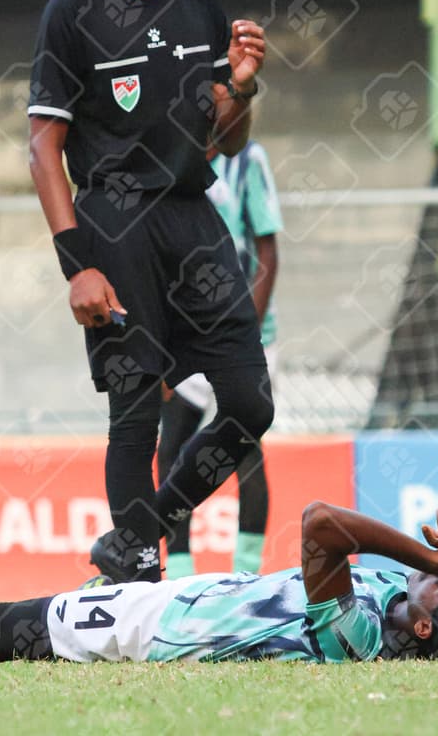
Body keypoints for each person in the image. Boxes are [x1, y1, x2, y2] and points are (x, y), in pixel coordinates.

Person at [27, 0, 274, 584]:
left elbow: (222, 138)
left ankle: (146, 528)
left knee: (249, 403)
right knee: (136, 414)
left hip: (195, 215)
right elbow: (44, 147)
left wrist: (240, 85)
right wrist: (80, 264)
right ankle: (138, 573)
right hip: (116, 223)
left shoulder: (199, 4)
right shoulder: (71, 11)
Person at [0, 495, 438, 664]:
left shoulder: (358, 639)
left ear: (424, 624)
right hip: (184, 597)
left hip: (153, 628)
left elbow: (322, 524)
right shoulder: (419, 614)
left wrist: (435, 560)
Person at [157, 138, 282, 579]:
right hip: (186, 336)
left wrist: (244, 334)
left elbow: (267, 253)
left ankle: (245, 574)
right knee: (171, 445)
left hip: (244, 334)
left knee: (244, 446)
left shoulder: (247, 160)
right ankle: (179, 572)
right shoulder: (168, 153)